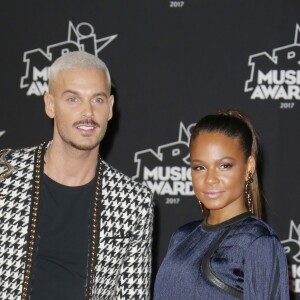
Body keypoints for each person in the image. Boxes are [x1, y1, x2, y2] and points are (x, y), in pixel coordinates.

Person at [0, 51, 153, 300]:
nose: (88, 113)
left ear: (110, 108)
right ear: (50, 104)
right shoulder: (5, 177)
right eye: (73, 99)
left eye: (98, 100)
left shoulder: (133, 201)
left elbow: (133, 295)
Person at [153, 109, 289, 299]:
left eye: (224, 166)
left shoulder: (258, 242)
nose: (210, 179)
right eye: (199, 167)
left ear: (248, 167)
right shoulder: (182, 237)